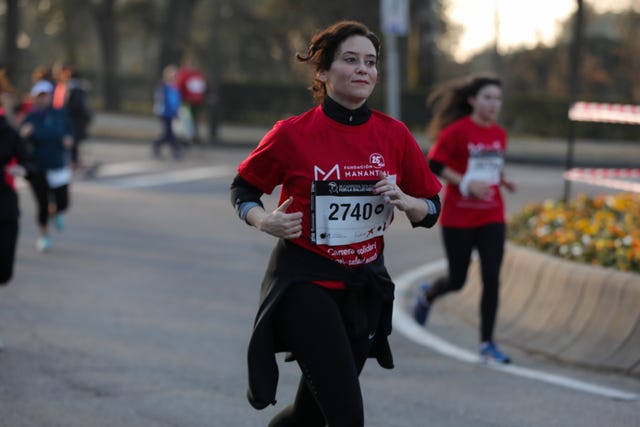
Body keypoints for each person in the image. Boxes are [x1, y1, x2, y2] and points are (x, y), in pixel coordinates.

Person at [230, 21, 442, 426]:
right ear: (323, 73)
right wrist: (263, 220)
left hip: (363, 289)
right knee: (347, 417)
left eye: (371, 62)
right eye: (350, 60)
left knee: (308, 416)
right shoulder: (292, 134)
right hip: (305, 283)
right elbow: (243, 189)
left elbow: (431, 209)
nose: (364, 69)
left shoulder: (393, 135)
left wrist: (409, 202)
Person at [412, 74, 517, 364]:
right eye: (487, 97)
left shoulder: (499, 134)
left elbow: (491, 166)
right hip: (459, 218)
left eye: (497, 98)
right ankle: (429, 294)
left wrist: (503, 181)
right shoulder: (456, 132)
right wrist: (465, 183)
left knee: (492, 278)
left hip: (492, 215)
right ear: (472, 100)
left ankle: (486, 343)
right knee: (457, 280)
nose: (494, 104)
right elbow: (434, 163)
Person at [19, 80, 74, 252]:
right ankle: (44, 235)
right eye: (39, 96)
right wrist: (23, 134)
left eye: (46, 95)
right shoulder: (30, 117)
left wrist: (69, 140)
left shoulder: (60, 114)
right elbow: (18, 141)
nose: (43, 99)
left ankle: (56, 211)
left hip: (57, 164)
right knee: (42, 204)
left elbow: (69, 133)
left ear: (51, 96)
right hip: (37, 168)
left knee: (63, 202)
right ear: (34, 98)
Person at [1, 84, 33, 351]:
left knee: (3, 272)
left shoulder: (9, 133)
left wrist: (21, 168)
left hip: (5, 208)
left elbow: (28, 161)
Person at [152, 65, 182, 160]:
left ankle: (157, 145)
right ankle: (176, 149)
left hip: (172, 113)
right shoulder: (163, 86)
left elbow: (176, 100)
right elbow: (160, 99)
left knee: (167, 133)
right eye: (172, 75)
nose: (174, 77)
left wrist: (176, 111)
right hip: (164, 113)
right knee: (169, 133)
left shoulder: (175, 87)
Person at [175, 57, 207, 144]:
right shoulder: (184, 74)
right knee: (186, 118)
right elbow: (179, 87)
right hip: (186, 101)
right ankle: (186, 136)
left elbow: (203, 87)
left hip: (197, 101)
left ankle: (193, 135)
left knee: (195, 119)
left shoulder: (198, 75)